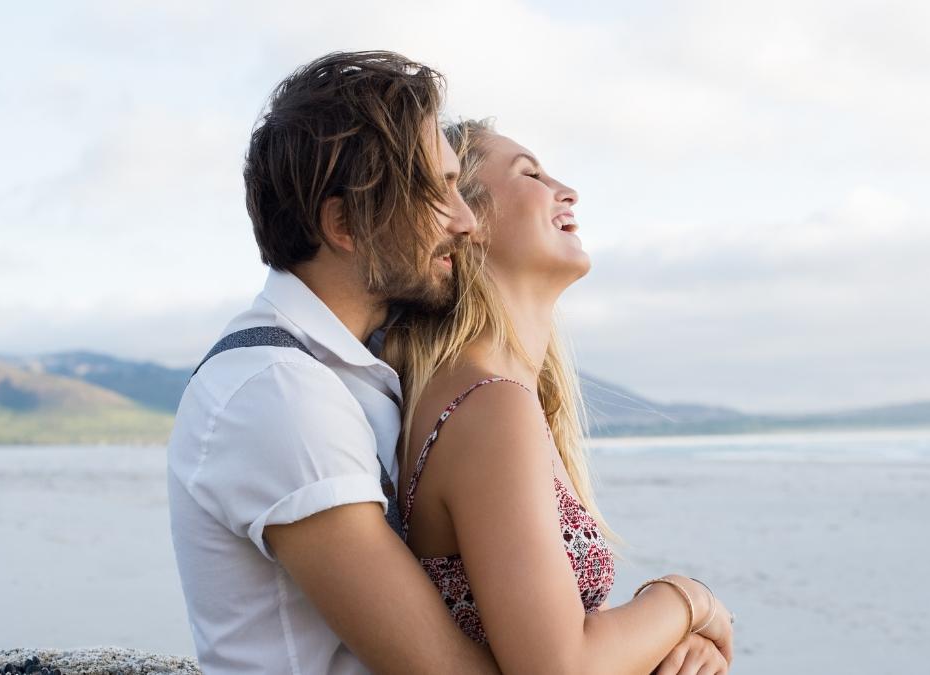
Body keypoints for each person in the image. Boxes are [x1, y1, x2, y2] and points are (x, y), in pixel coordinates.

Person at [166, 51, 502, 674]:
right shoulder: (279, 395)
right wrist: (680, 607)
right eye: (439, 191)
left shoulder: (354, 369)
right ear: (345, 223)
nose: (466, 221)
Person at [381, 119, 736, 674]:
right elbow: (560, 669)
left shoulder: (495, 398)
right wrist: (686, 599)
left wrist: (662, 642)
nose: (566, 190)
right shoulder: (489, 405)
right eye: (530, 174)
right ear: (467, 221)